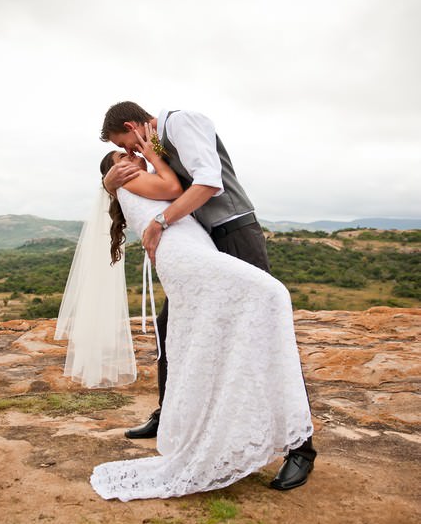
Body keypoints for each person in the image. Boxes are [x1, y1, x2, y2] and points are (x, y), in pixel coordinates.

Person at [88, 126, 313, 501]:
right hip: (192, 251)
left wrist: (123, 177)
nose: (128, 154)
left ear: (130, 129)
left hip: (227, 234)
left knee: (260, 313)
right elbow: (170, 189)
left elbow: (200, 183)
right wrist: (112, 183)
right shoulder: (136, 173)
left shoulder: (178, 125)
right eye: (120, 155)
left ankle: (299, 447)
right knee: (178, 329)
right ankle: (175, 419)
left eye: (124, 147)